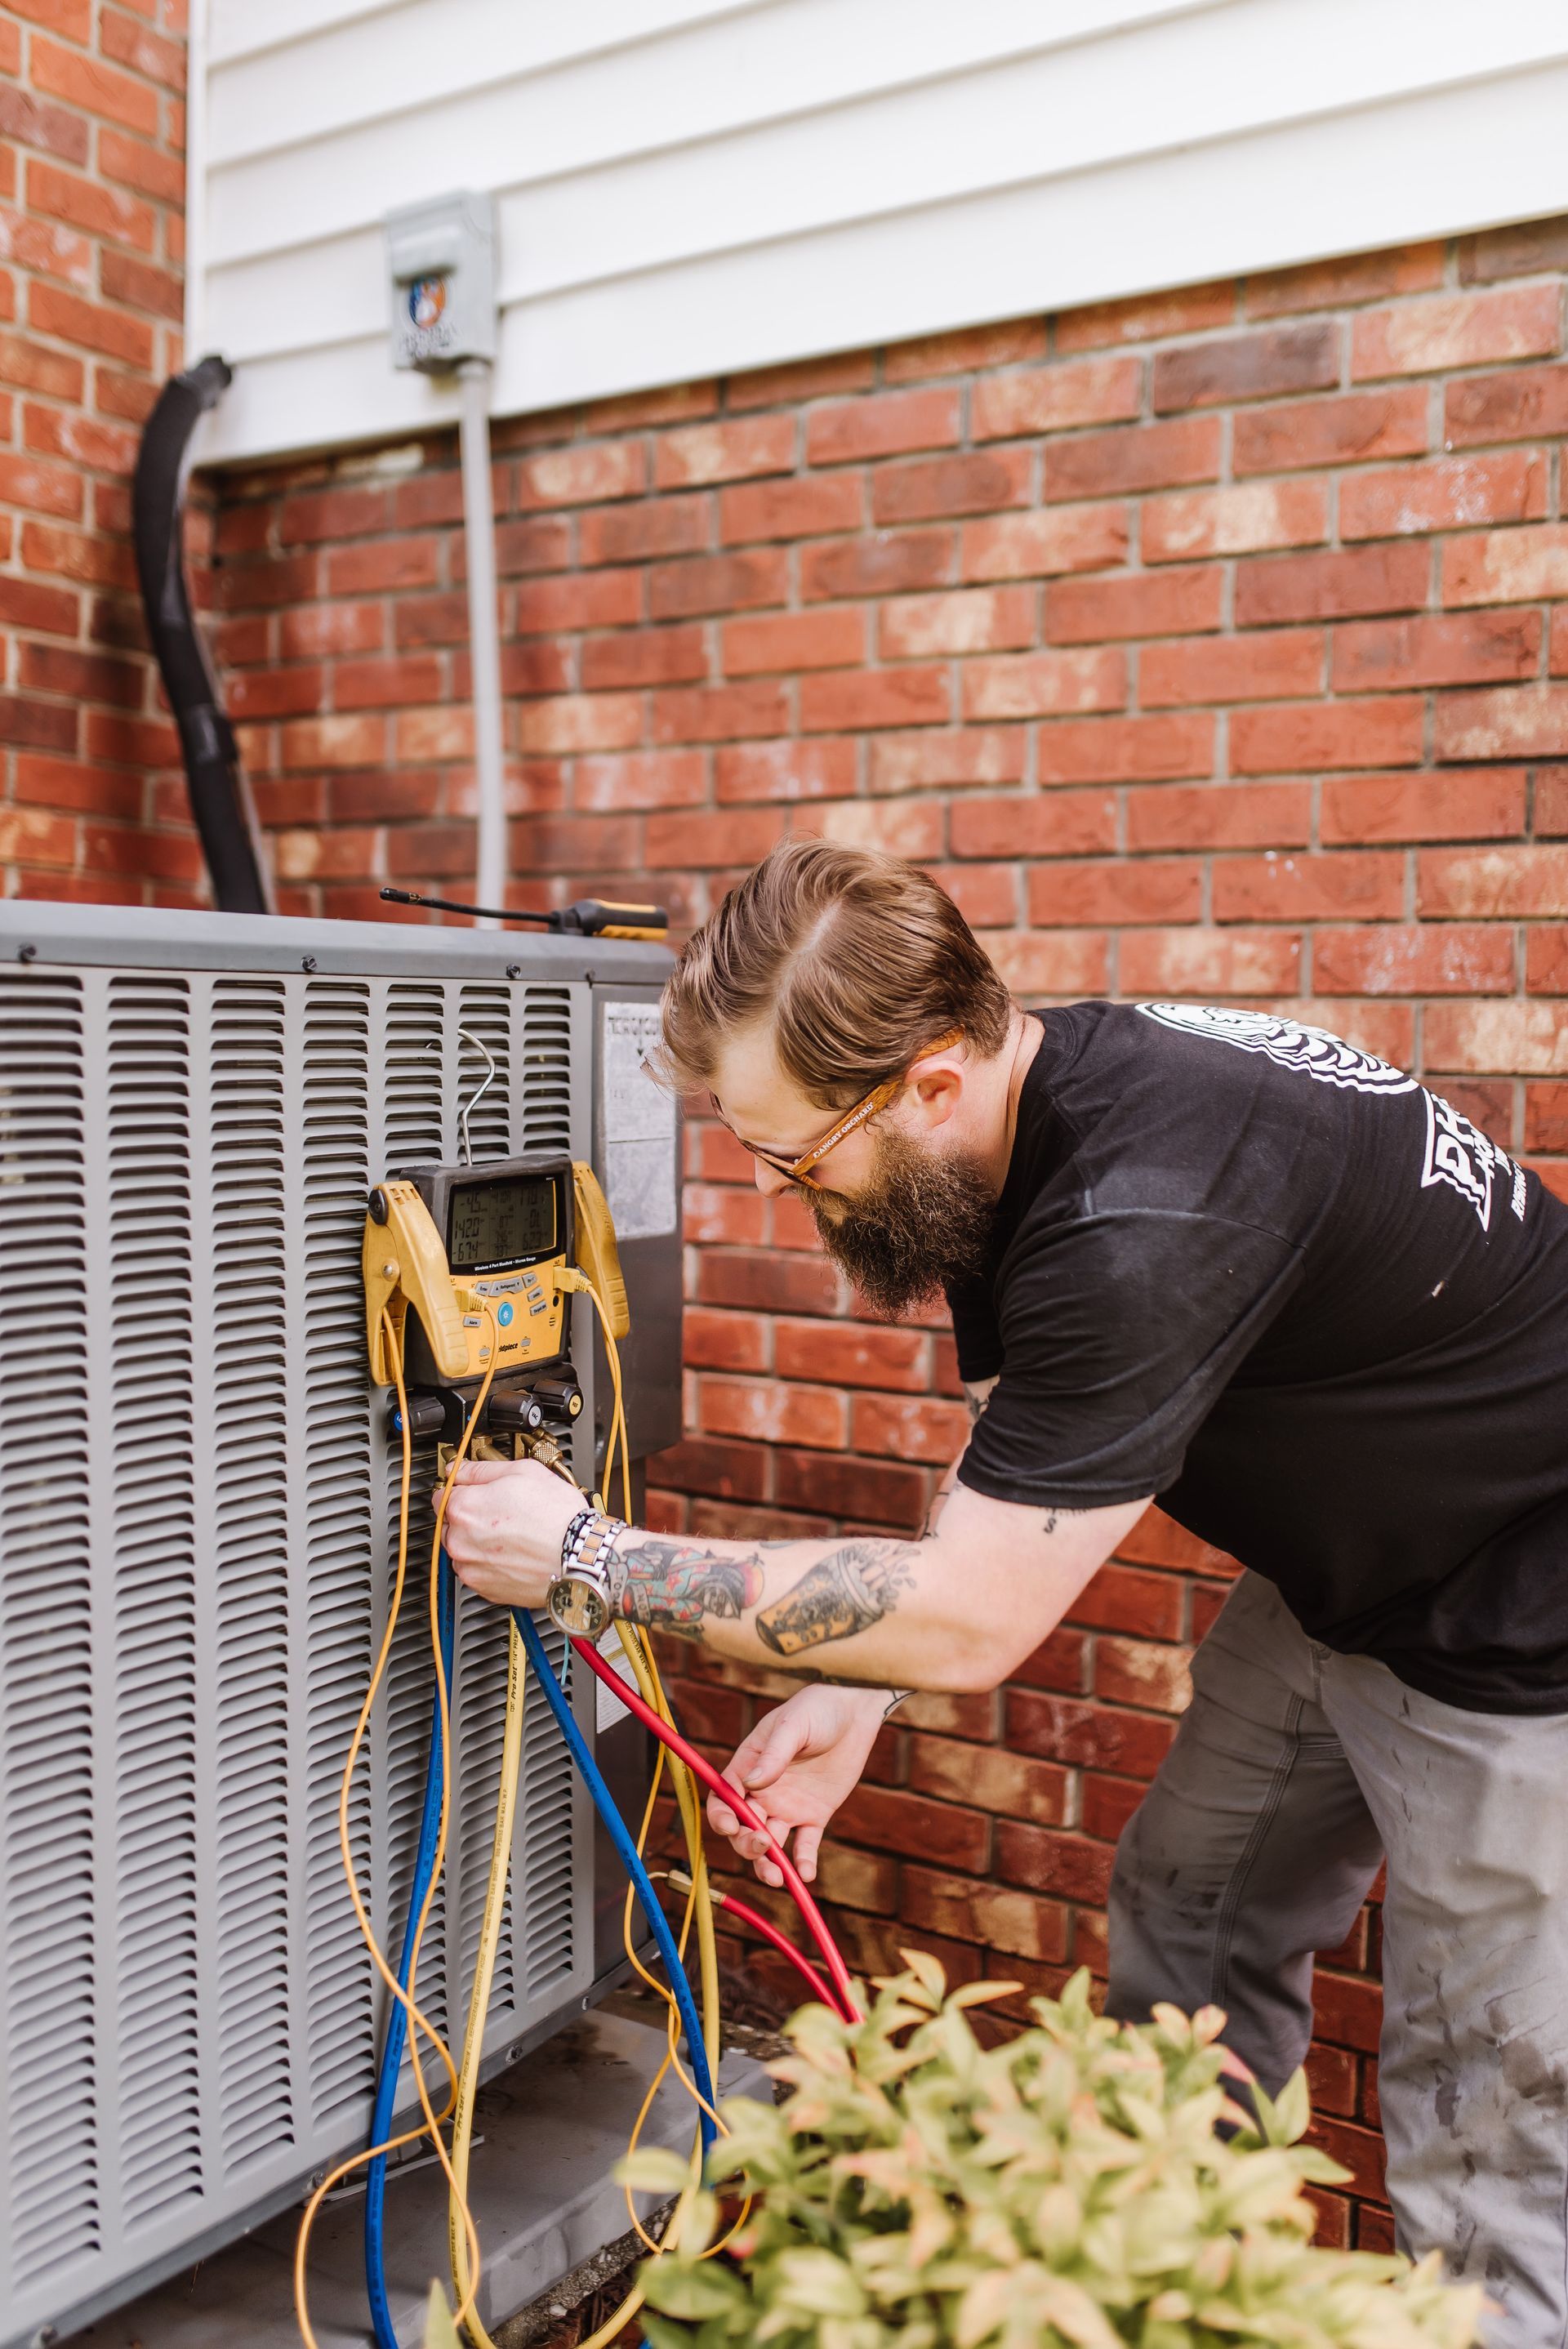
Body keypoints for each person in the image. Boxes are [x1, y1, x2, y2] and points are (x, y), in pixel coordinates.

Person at [443, 837, 1568, 2342]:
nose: (786, 1196)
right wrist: (857, 1681)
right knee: (1194, 1905)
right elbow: (1021, 1460)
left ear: (926, 1081)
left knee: (1487, 2109)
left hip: (1519, 1613)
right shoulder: (1036, 1115)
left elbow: (980, 1615)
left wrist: (582, 1558)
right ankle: (1182, 2280)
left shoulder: (1141, 1213)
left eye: (795, 1156)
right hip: (1342, 1575)